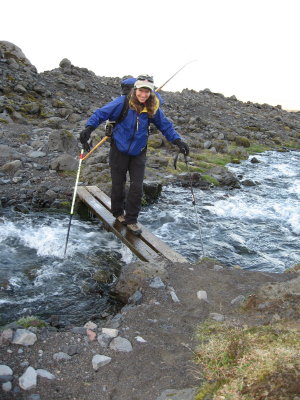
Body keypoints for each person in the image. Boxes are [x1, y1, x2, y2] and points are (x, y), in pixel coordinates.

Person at [80, 75, 189, 236]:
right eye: (140, 91)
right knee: (118, 184)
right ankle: (118, 213)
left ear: (151, 93)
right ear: (135, 90)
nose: (143, 95)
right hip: (118, 149)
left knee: (137, 187)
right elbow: (100, 114)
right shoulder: (122, 103)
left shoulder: (153, 107)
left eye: (147, 92)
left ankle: (131, 220)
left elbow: (165, 125)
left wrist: (178, 141)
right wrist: (88, 128)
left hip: (139, 151)